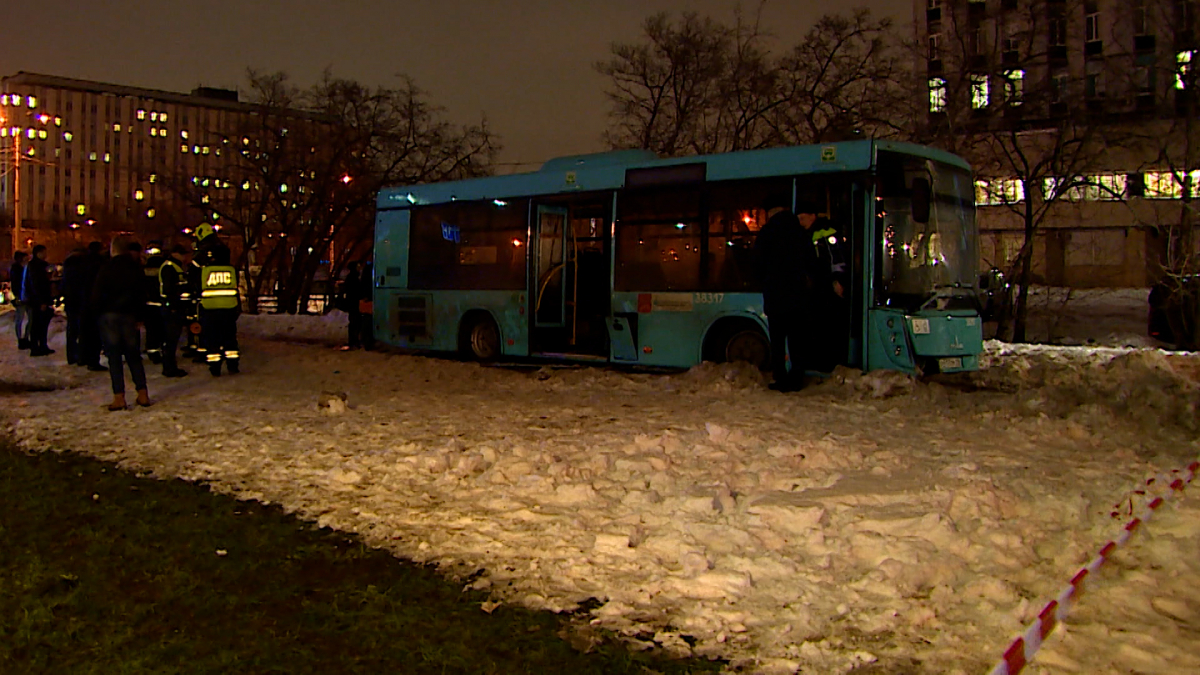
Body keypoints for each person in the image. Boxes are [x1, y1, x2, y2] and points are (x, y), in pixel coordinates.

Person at [752, 195, 827, 391]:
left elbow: (757, 266)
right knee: (797, 340)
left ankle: (779, 377)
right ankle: (796, 378)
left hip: (775, 298)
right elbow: (812, 263)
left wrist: (767, 282)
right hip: (798, 298)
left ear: (769, 213)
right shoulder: (800, 232)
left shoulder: (766, 233)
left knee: (777, 340)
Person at [91, 236, 150, 410]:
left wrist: (97, 315)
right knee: (134, 356)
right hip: (130, 316)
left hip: (110, 316)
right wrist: (140, 317)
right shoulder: (135, 269)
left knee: (114, 358)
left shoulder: (106, 268)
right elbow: (141, 294)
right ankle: (142, 393)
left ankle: (119, 397)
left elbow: (97, 294)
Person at [805, 204, 850, 372]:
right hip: (816, 287)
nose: (801, 222)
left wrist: (837, 280)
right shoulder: (808, 233)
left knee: (826, 326)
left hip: (826, 288)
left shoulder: (825, 231)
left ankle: (828, 363)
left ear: (812, 216)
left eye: (803, 218)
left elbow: (836, 259)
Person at [196, 224, 240, 376]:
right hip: (229, 308)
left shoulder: (205, 270)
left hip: (210, 308)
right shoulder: (231, 270)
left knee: (212, 338)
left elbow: (197, 283)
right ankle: (233, 365)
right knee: (229, 337)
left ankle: (215, 367)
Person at [158, 243, 193, 377]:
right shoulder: (169, 267)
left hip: (174, 307)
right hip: (171, 308)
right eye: (183, 254)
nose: (185, 257)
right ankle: (169, 367)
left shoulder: (175, 266)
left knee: (172, 339)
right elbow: (170, 290)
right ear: (175, 254)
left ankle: (170, 366)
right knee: (170, 339)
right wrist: (173, 305)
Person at [77, 241, 108, 371]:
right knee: (95, 333)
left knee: (85, 331)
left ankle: (83, 357)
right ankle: (93, 360)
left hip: (83, 301)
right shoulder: (100, 264)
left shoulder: (82, 262)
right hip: (95, 301)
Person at [21, 244, 55, 357]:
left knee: (42, 324)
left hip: (38, 299)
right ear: (38, 253)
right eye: (44, 252)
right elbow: (37, 284)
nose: (46, 255)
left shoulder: (40, 265)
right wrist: (42, 301)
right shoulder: (35, 266)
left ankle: (42, 345)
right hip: (37, 300)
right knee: (37, 324)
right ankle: (36, 347)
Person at [59, 246, 89, 364]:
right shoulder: (83, 267)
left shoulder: (68, 267)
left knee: (72, 330)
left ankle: (71, 355)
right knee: (81, 330)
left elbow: (63, 285)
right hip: (80, 301)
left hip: (70, 301)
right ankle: (81, 355)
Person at [339, 261, 375, 351]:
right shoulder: (353, 278)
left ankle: (354, 340)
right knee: (355, 322)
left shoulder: (352, 277)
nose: (359, 268)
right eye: (357, 266)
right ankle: (353, 341)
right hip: (354, 303)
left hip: (353, 303)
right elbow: (355, 291)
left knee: (355, 322)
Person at [142, 240, 166, 364]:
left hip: (149, 304)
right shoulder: (165, 266)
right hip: (161, 303)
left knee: (151, 331)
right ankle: (162, 350)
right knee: (162, 330)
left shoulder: (144, 268)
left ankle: (153, 353)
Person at [8, 251, 31, 349]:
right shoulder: (17, 269)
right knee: (20, 319)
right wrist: (17, 296)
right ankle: (21, 339)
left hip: (27, 296)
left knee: (29, 318)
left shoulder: (26, 268)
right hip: (21, 296)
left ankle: (25, 338)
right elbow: (16, 284)